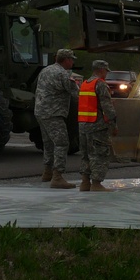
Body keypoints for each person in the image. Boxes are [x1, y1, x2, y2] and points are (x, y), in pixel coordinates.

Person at [33, 48, 79, 189]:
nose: (72, 62)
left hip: (40, 111)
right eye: (71, 59)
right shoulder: (62, 74)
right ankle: (57, 176)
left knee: (48, 143)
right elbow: (75, 93)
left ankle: (47, 172)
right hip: (53, 113)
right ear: (66, 60)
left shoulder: (45, 70)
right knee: (62, 143)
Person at [78, 59, 118, 192]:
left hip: (83, 125)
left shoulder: (85, 84)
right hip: (97, 126)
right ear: (101, 70)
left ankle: (85, 183)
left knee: (86, 154)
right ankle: (96, 183)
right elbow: (107, 107)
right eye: (106, 71)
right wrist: (113, 124)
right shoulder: (100, 84)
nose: (106, 73)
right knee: (100, 154)